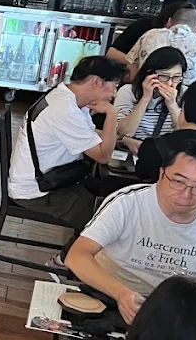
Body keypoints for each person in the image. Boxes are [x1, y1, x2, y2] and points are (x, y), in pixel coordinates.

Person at [65, 143, 196, 322]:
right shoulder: (128, 203)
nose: (186, 195)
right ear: (162, 174)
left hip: (172, 313)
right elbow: (77, 256)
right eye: (178, 181)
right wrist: (121, 294)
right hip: (108, 296)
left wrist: (191, 310)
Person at [7, 55, 122, 231]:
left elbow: (89, 134)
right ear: (97, 82)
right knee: (104, 222)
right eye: (114, 87)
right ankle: (64, 258)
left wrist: (126, 140)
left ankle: (75, 253)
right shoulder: (65, 110)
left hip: (52, 178)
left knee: (110, 198)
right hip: (37, 190)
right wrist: (112, 114)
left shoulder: (64, 96)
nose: (114, 95)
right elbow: (103, 156)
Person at [114, 46, 186, 153]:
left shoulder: (184, 93)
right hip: (133, 153)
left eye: (176, 77)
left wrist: (172, 105)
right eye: (164, 76)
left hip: (167, 155)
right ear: (150, 74)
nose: (170, 83)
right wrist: (145, 98)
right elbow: (124, 132)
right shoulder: (128, 91)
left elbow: (185, 137)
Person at [129, 3, 196, 83]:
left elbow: (131, 70)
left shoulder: (150, 35)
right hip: (188, 101)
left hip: (146, 95)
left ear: (169, 21)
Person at [107, 0, 195, 78]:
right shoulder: (145, 27)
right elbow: (111, 53)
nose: (182, 30)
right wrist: (138, 65)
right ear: (169, 21)